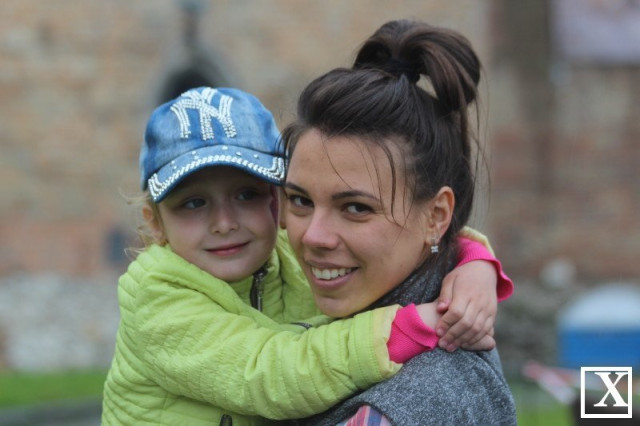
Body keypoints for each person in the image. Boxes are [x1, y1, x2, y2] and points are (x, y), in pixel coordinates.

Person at [101, 87, 512, 425]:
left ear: (275, 201)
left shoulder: (287, 252)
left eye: (246, 195)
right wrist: (405, 329)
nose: (224, 223)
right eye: (193, 203)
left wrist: (474, 264)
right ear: (155, 222)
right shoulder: (157, 295)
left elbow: (427, 231)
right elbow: (267, 372)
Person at [281, 19, 517, 425]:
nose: (313, 236)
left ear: (436, 217)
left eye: (356, 208)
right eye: (300, 200)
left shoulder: (405, 404)